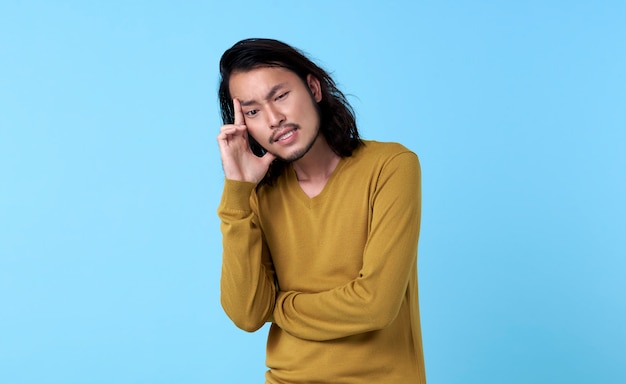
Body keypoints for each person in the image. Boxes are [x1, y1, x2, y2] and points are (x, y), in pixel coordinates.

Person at [216, 38, 426, 384]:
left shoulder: (391, 166)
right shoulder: (258, 195)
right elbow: (248, 314)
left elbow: (375, 305)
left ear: (313, 87)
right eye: (252, 111)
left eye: (280, 96)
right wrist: (237, 192)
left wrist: (279, 307)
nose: (274, 119)